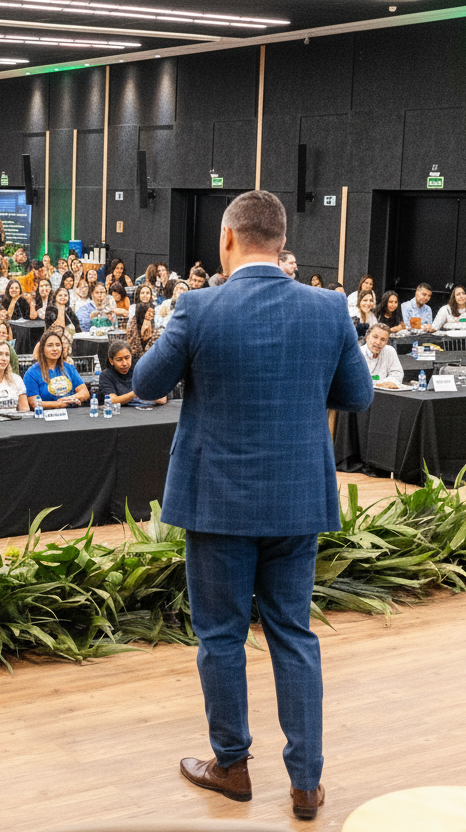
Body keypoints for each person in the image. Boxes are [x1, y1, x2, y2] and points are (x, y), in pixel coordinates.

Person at [131, 190, 372, 822]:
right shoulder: (328, 308)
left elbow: (145, 384)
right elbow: (358, 394)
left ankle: (233, 767)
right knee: (294, 635)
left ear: (228, 239)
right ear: (282, 239)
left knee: (221, 637)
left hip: (216, 501)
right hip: (297, 499)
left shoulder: (196, 306)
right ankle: (306, 784)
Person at [24, 329, 89, 409]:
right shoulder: (31, 373)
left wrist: (70, 398)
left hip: (72, 414)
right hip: (46, 417)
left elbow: (85, 393)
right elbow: (34, 402)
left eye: (58, 345)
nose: (55, 349)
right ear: (42, 349)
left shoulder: (68, 368)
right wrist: (60, 404)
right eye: (50, 345)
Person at [98, 340, 166, 406]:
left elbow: (162, 398)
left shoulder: (141, 369)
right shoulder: (106, 375)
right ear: (111, 361)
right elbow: (112, 400)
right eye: (119, 360)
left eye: (127, 358)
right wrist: (136, 393)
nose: (124, 363)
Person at [361, 323, 403, 388]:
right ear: (367, 338)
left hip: (385, 394)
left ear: (386, 342)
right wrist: (381, 384)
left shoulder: (390, 351)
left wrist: (380, 385)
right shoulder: (358, 354)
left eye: (383, 339)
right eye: (375, 337)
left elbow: (397, 374)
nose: (378, 342)